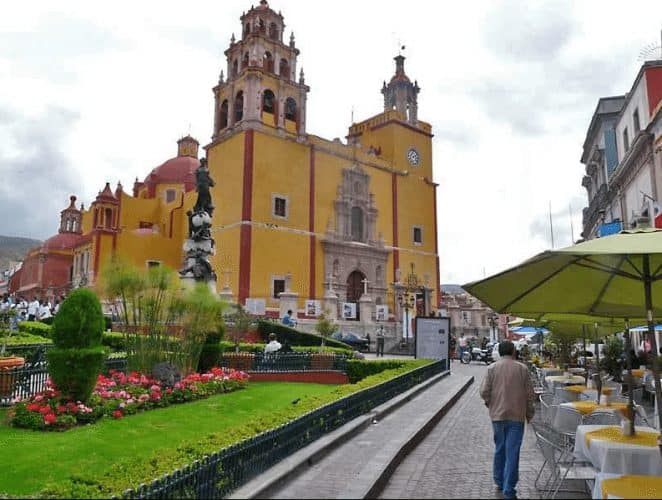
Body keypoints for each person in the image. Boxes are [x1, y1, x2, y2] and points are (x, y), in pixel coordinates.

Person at [480, 340, 535, 500]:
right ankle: (509, 488)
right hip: (516, 416)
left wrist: (490, 403)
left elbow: (484, 391)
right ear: (513, 352)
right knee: (513, 451)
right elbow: (530, 394)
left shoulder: (492, 368)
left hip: (497, 415)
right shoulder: (522, 369)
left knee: (500, 448)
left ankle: (499, 480)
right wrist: (529, 413)